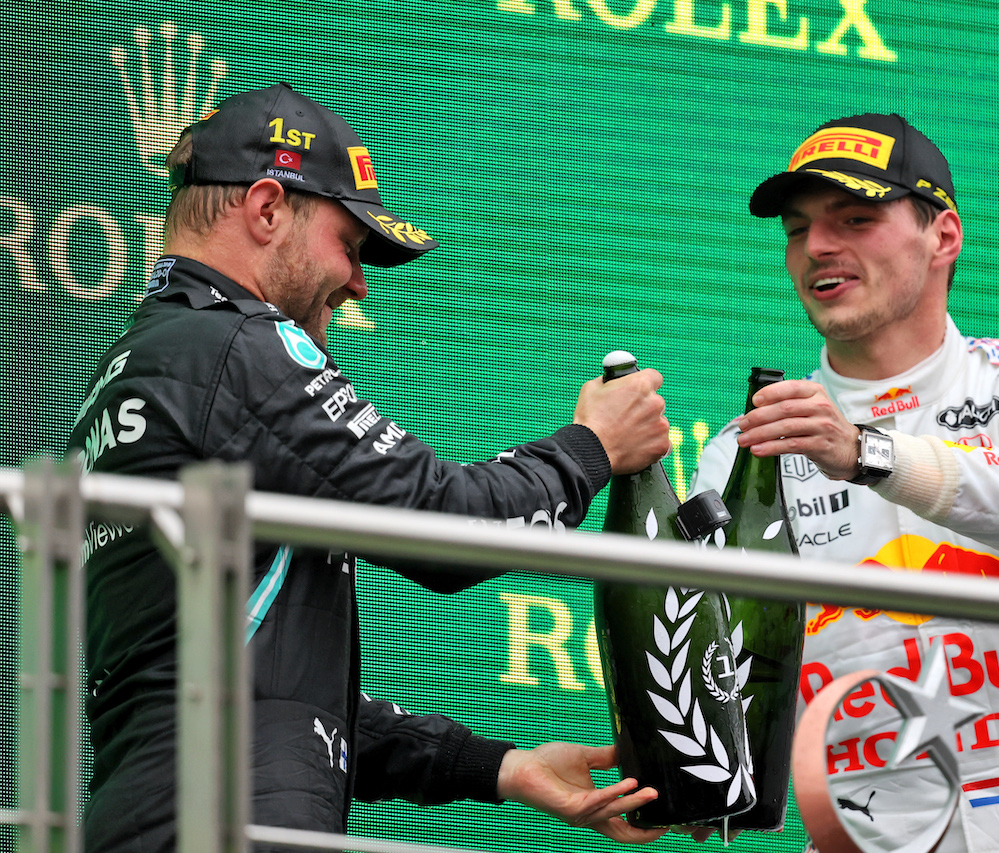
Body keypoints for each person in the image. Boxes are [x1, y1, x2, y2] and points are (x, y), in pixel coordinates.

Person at [68, 83, 672, 851]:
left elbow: (278, 700)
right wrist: (590, 449)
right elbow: (446, 528)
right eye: (349, 247)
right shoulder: (233, 346)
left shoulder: (140, 365)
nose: (357, 283)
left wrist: (500, 767)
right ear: (265, 209)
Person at [691, 115, 999, 852]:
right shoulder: (748, 449)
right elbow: (722, 661)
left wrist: (866, 452)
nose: (818, 248)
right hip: (860, 831)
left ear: (944, 237)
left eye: (856, 219)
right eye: (798, 230)